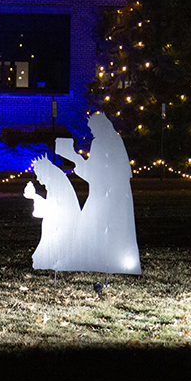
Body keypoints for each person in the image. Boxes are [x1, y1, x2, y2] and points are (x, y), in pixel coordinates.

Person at [56, 112, 141, 274]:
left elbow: (93, 174)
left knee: (92, 223)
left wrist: (73, 156)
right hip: (114, 194)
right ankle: (108, 259)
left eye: (93, 128)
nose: (92, 132)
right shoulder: (115, 140)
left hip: (105, 195)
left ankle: (94, 258)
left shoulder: (101, 142)